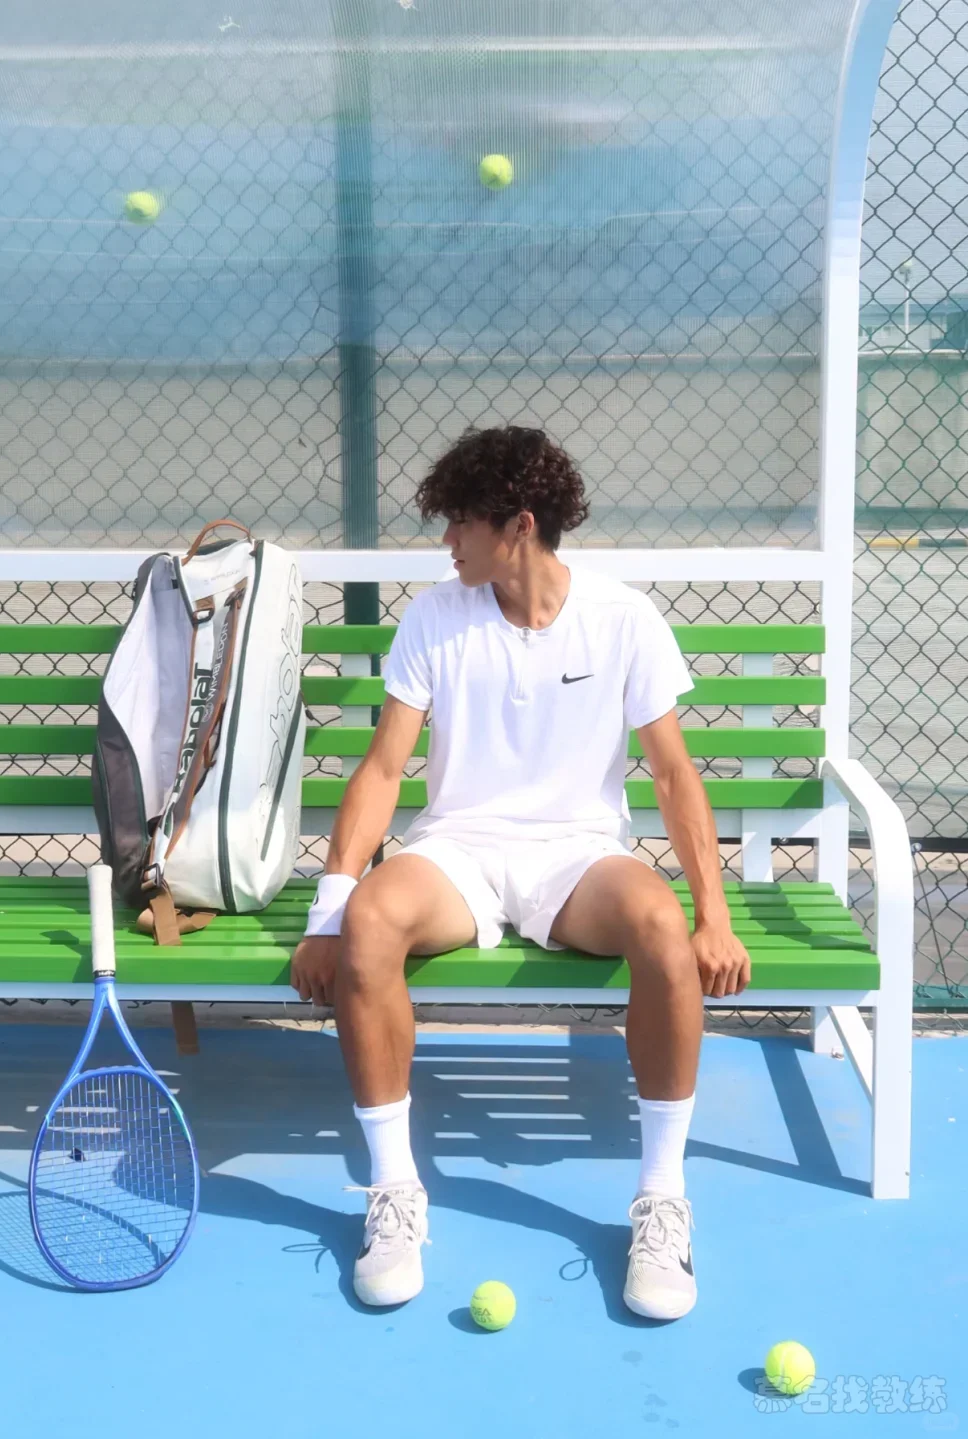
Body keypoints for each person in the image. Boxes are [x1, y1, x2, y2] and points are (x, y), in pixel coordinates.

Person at [290, 424, 751, 1320]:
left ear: (520, 526)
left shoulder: (623, 619)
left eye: (462, 521)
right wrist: (329, 910)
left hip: (577, 854)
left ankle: (663, 1200)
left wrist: (714, 916)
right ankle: (394, 1193)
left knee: (661, 926)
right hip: (459, 849)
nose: (447, 540)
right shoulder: (435, 616)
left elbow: (673, 774)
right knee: (372, 922)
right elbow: (383, 770)